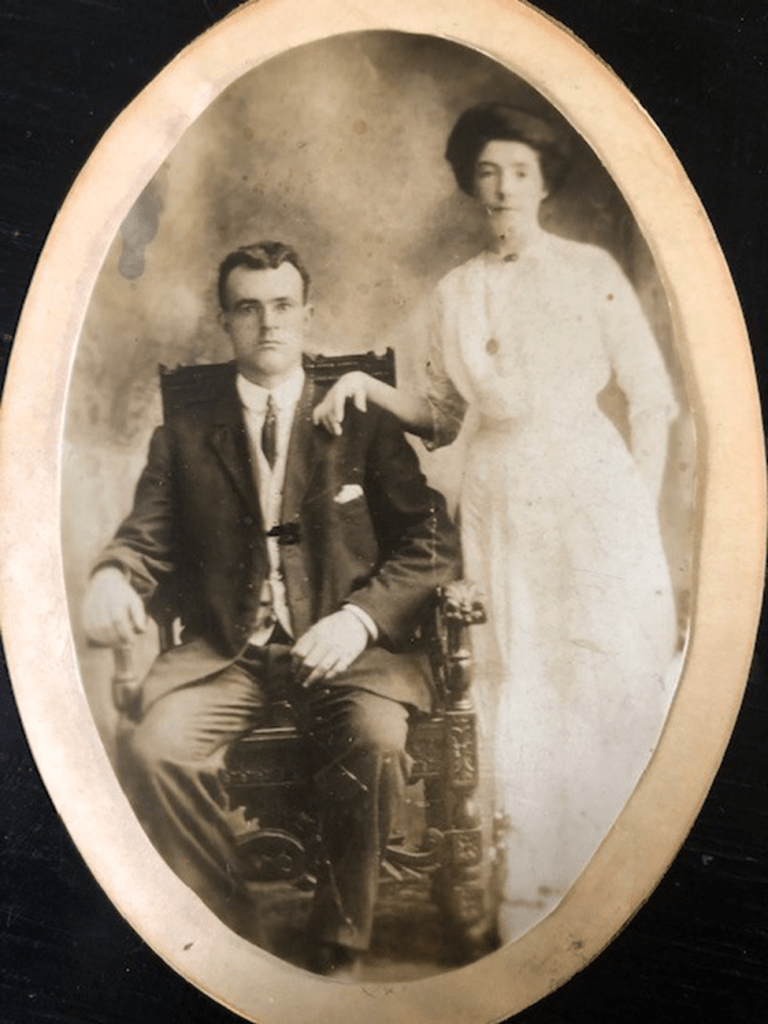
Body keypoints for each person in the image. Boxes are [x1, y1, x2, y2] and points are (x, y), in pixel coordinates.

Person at [313, 103, 680, 941]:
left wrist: (636, 511)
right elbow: (443, 416)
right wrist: (366, 388)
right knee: (513, 672)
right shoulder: (456, 290)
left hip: (590, 492)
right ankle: (527, 897)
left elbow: (652, 400)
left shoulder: (589, 270)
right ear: (470, 185)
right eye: (487, 172)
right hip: (499, 497)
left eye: (519, 171)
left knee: (592, 669)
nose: (504, 187)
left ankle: (611, 885)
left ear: (545, 182)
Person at [82, 240, 460, 976]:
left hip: (350, 657)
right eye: (248, 308)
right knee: (155, 752)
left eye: (283, 305)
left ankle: (338, 939)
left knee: (376, 741)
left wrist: (358, 619)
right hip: (230, 657)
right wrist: (115, 576)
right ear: (225, 320)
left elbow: (432, 538)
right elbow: (144, 537)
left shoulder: (362, 420)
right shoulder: (185, 433)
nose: (268, 323)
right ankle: (233, 934)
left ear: (307, 314)